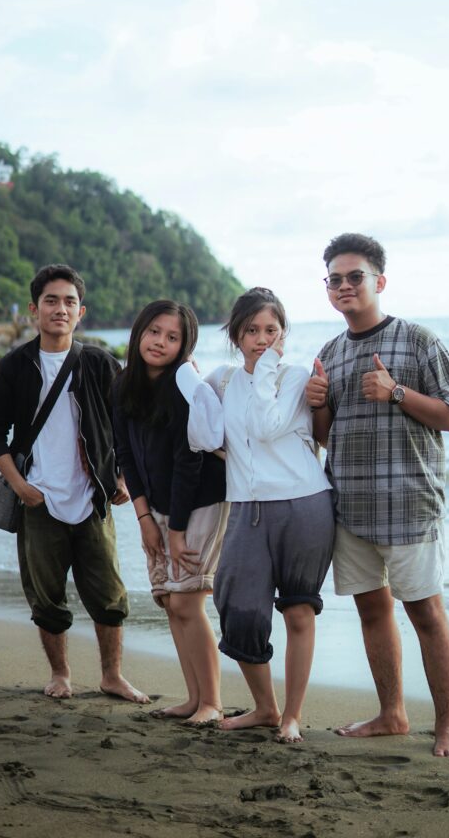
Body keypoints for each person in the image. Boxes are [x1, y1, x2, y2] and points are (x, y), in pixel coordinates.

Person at [306, 234, 449, 758]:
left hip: (409, 505)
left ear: (379, 281)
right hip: (350, 508)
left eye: (355, 276)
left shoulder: (418, 340)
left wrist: (396, 391)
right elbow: (326, 436)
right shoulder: (330, 353)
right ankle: (392, 714)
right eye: (335, 279)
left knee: (426, 614)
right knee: (372, 613)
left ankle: (447, 725)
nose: (345, 286)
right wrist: (317, 404)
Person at [0, 263, 147, 703]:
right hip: (38, 500)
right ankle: (61, 675)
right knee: (46, 598)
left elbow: (128, 424)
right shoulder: (13, 368)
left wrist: (123, 476)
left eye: (69, 301)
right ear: (34, 309)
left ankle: (112, 676)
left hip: (92, 499)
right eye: (50, 301)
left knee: (109, 596)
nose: (60, 309)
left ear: (81, 311)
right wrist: (18, 484)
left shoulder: (99, 363)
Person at [176, 287, 335, 743]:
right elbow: (203, 437)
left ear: (283, 333)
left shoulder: (295, 377)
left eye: (271, 330)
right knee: (238, 610)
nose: (262, 339)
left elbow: (267, 426)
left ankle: (291, 716)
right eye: (251, 331)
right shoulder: (222, 382)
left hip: (305, 504)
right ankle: (265, 707)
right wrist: (188, 378)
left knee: (299, 611)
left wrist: (266, 367)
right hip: (246, 508)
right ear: (235, 335)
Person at [112, 300, 228, 726]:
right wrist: (144, 519)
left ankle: (212, 702)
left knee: (187, 600)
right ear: (139, 332)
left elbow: (189, 461)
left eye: (172, 337)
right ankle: (193, 698)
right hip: (157, 505)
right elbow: (125, 455)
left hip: (201, 500)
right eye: (154, 331)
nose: (160, 342)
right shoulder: (122, 386)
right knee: (169, 601)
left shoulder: (185, 387)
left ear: (184, 346)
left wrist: (176, 530)